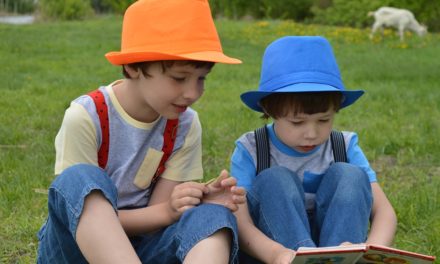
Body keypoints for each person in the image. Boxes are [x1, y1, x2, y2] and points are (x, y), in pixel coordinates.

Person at [36, 0, 246, 263]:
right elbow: (75, 210)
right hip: (76, 249)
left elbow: (157, 218)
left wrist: (191, 202)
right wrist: (168, 212)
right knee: (78, 178)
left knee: (214, 216)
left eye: (201, 78)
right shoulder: (86, 117)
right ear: (134, 66)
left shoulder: (185, 124)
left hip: (143, 249)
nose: (193, 93)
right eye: (179, 78)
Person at [230, 36, 397, 263]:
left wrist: (369, 249)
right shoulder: (251, 148)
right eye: (297, 122)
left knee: (350, 175)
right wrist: (276, 254)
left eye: (324, 120)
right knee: (274, 179)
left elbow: (384, 213)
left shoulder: (344, 146)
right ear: (268, 108)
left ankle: (340, 259)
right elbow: (239, 222)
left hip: (338, 243)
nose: (311, 133)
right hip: (275, 251)